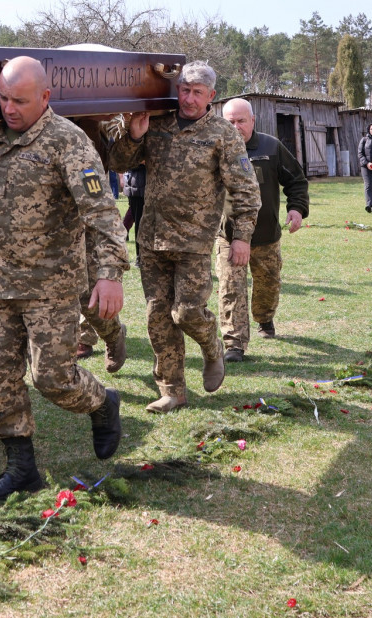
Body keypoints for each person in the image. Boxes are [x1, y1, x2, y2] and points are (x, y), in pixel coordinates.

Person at [0, 56, 128, 502]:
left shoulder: (69, 142)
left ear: (45, 97)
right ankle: (21, 469)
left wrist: (109, 275)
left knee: (52, 379)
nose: (8, 108)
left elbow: (101, 214)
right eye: (2, 98)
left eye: (19, 100)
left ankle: (103, 402)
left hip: (52, 286)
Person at [108, 61, 260, 414]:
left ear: (211, 96)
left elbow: (246, 190)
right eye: (184, 90)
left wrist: (242, 237)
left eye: (196, 93)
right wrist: (134, 134)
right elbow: (117, 161)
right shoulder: (156, 122)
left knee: (188, 312)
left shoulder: (223, 134)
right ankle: (172, 390)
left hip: (193, 241)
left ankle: (213, 348)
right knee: (158, 317)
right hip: (152, 237)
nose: (188, 99)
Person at [216, 98, 309, 362]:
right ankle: (234, 344)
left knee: (268, 285)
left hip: (266, 236)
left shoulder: (271, 147)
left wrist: (297, 208)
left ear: (253, 121)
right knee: (230, 288)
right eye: (230, 121)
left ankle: (264, 318)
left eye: (241, 121)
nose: (236, 127)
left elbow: (296, 181)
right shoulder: (215, 150)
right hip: (229, 236)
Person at [73, 116, 129, 372]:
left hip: (87, 217)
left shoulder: (95, 121)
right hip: (46, 227)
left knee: (88, 295)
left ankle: (113, 334)